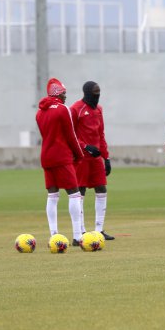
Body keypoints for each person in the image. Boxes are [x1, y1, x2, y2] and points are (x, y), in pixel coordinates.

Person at [36, 78, 85, 244]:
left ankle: (54, 235)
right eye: (64, 93)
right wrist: (79, 154)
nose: (65, 97)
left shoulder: (40, 112)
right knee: (74, 194)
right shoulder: (63, 110)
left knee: (52, 195)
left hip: (46, 157)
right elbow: (70, 135)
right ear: (58, 93)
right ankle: (77, 236)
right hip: (62, 156)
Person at [70, 81, 114, 241]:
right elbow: (71, 134)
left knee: (101, 189)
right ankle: (80, 231)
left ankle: (99, 230)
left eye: (99, 92)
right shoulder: (76, 109)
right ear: (87, 93)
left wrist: (106, 157)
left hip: (96, 159)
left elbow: (101, 134)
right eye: (95, 92)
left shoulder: (99, 110)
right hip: (81, 158)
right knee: (80, 192)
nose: (97, 95)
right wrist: (85, 146)